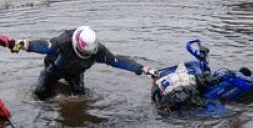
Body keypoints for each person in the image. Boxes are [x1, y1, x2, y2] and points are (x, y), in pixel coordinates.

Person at [20, 26, 156, 100]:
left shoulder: (98, 51)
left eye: (88, 54)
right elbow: (45, 46)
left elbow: (117, 60)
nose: (86, 55)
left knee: (79, 99)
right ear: (76, 45)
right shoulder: (63, 42)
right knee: (40, 93)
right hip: (54, 68)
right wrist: (25, 44)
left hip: (76, 72)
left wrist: (142, 68)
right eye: (83, 53)